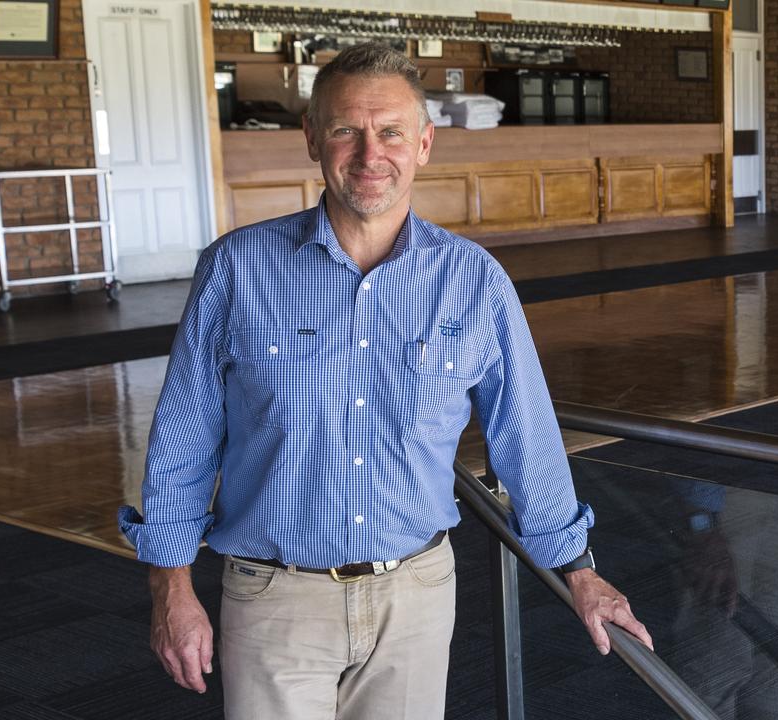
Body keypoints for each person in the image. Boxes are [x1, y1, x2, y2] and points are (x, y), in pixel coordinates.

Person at [118, 41, 652, 720]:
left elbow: (527, 435)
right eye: (347, 130)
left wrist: (578, 568)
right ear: (313, 138)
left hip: (418, 599)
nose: (371, 155)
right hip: (274, 599)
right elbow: (184, 437)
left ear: (424, 144)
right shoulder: (236, 270)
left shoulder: (473, 281)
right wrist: (172, 589)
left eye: (391, 132)